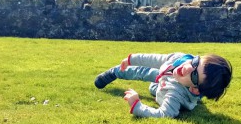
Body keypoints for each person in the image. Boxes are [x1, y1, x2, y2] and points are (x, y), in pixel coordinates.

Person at [94, 51, 232, 119]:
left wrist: (137, 105)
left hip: (167, 86)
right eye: (195, 62)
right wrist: (131, 59)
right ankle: (115, 72)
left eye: (194, 75)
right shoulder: (182, 59)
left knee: (151, 80)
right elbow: (155, 59)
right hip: (165, 78)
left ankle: (157, 88)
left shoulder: (175, 95)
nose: (188, 68)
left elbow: (163, 114)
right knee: (146, 72)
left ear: (194, 89)